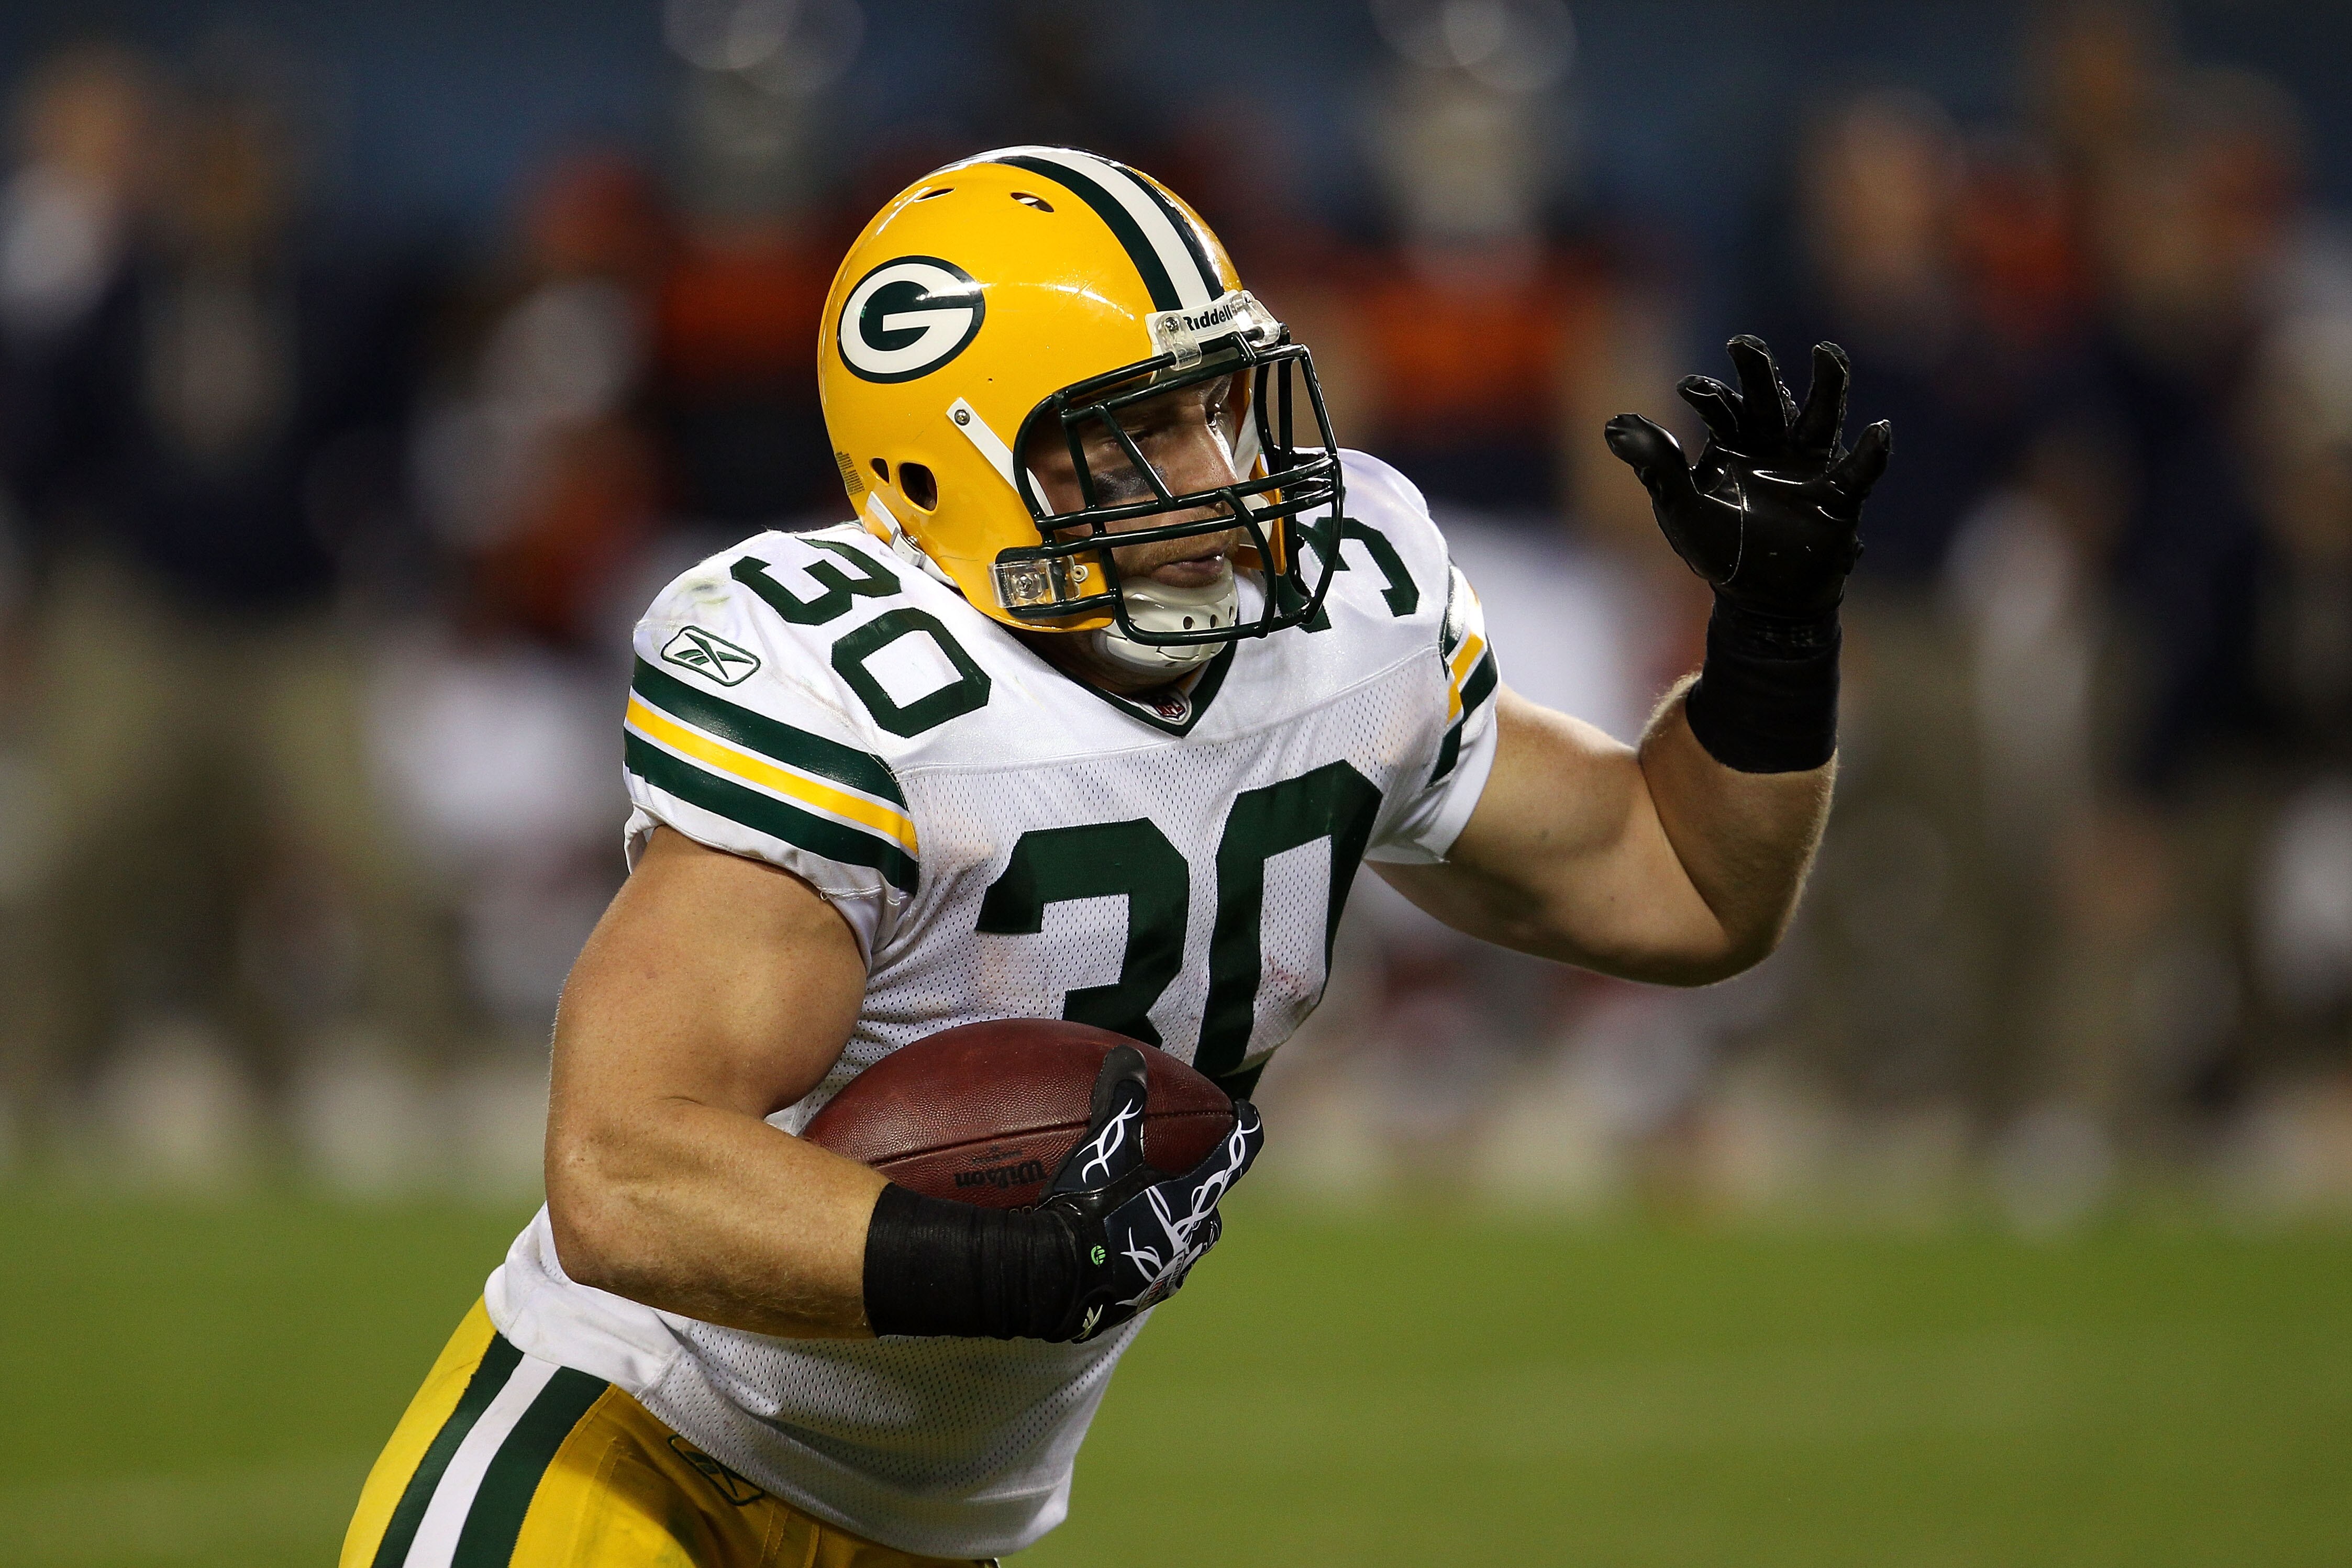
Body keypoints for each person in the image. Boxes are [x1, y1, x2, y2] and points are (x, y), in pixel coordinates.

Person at [341, 146, 1889, 1567]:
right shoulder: (867, 697)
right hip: (637, 1460)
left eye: (1217, 405)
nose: (1217, 474)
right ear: (945, 476)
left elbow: (1687, 889)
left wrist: (1769, 641)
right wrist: (1002, 1261)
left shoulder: (1337, 637)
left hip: (941, 1521)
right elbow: (627, 1165)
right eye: (1135, 433)